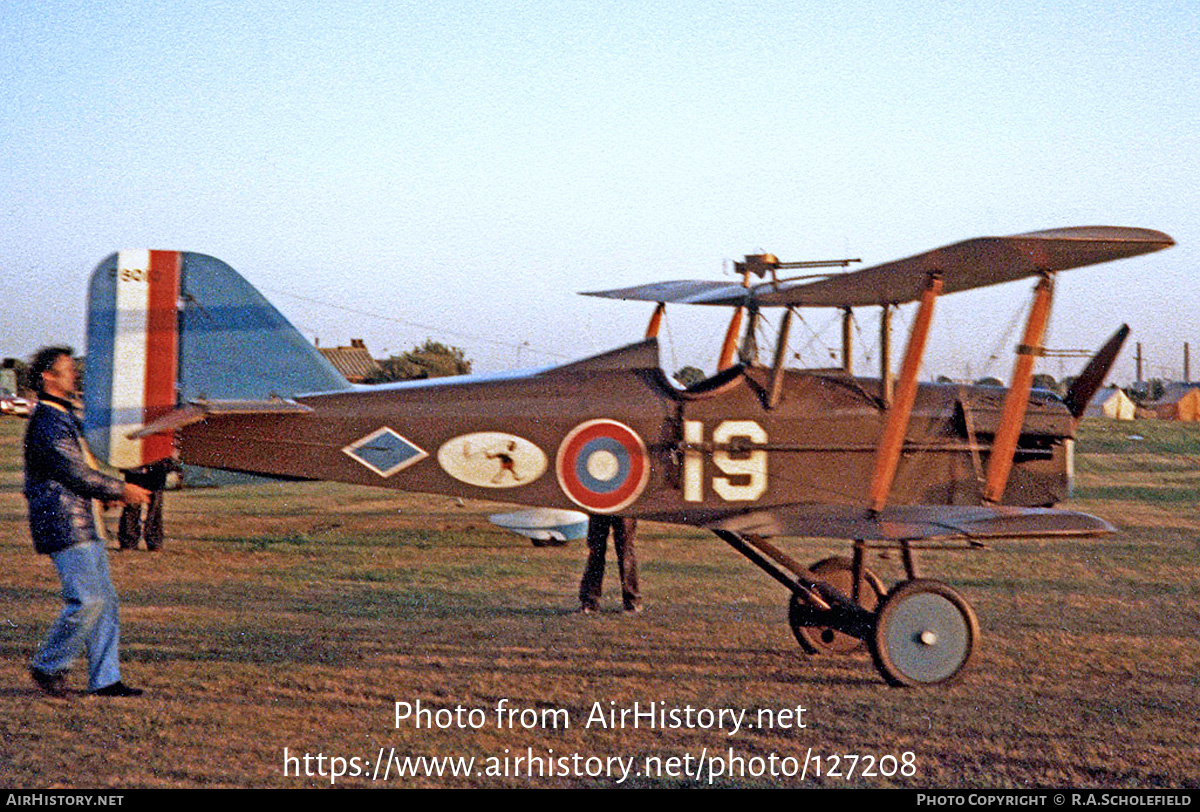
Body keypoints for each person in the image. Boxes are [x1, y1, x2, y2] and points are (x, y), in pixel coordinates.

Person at [24, 346, 151, 698]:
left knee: (104, 601)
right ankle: (48, 666)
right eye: (67, 369)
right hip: (64, 523)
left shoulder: (62, 415)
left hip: (80, 520)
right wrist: (121, 489)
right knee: (88, 600)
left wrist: (105, 492)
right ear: (48, 377)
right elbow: (73, 472)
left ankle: (105, 678)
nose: (74, 374)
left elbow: (81, 470)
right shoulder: (48, 421)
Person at [578, 514, 642, 614]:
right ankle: (632, 602)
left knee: (623, 553)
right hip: (606, 506)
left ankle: (590, 602)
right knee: (600, 552)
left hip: (613, 506)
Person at [118, 459, 175, 551]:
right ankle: (128, 541)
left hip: (158, 466)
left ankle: (154, 541)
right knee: (132, 504)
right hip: (135, 465)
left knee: (155, 507)